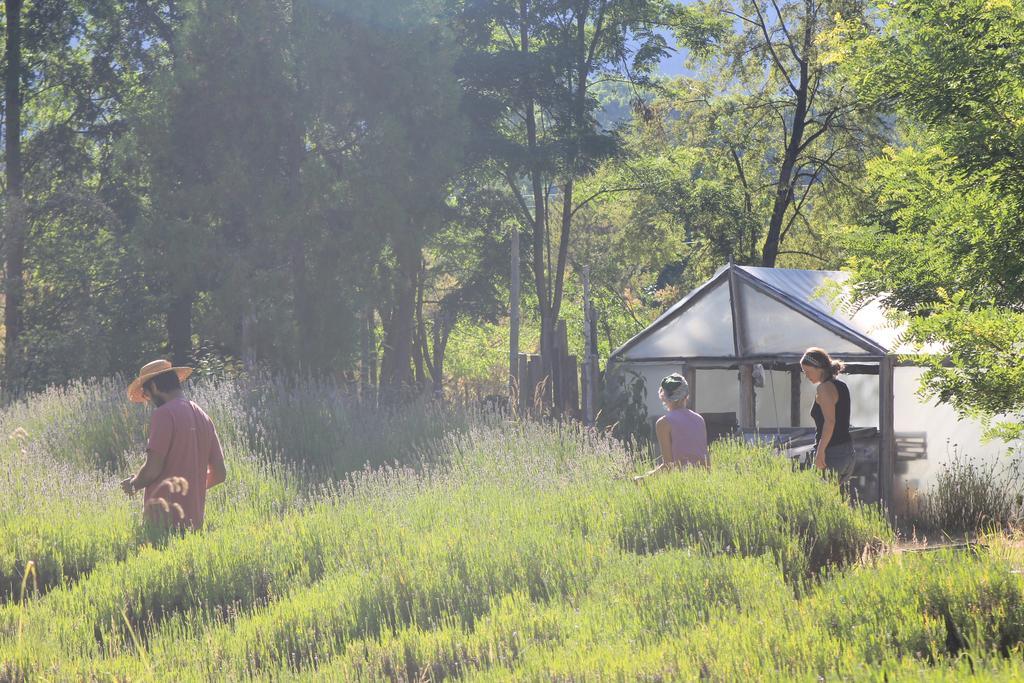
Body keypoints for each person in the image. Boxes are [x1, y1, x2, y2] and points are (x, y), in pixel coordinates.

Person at [120, 360, 227, 531]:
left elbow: (153, 469)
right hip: (195, 526)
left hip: (161, 524)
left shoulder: (164, 414)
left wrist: (134, 484)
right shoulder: (204, 417)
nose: (148, 400)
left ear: (154, 387)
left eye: (146, 395)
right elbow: (220, 474)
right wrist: (191, 488)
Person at [634, 373, 709, 481]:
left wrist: (643, 478)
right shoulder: (699, 419)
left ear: (663, 396)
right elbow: (707, 462)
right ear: (686, 395)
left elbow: (669, 466)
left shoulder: (664, 423)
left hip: (681, 483)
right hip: (703, 482)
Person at [799, 347, 855, 484]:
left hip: (831, 453)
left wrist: (820, 452)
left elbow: (830, 422)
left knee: (816, 501)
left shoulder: (823, 389)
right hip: (846, 452)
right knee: (830, 499)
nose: (806, 376)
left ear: (819, 368)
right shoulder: (841, 386)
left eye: (807, 372)